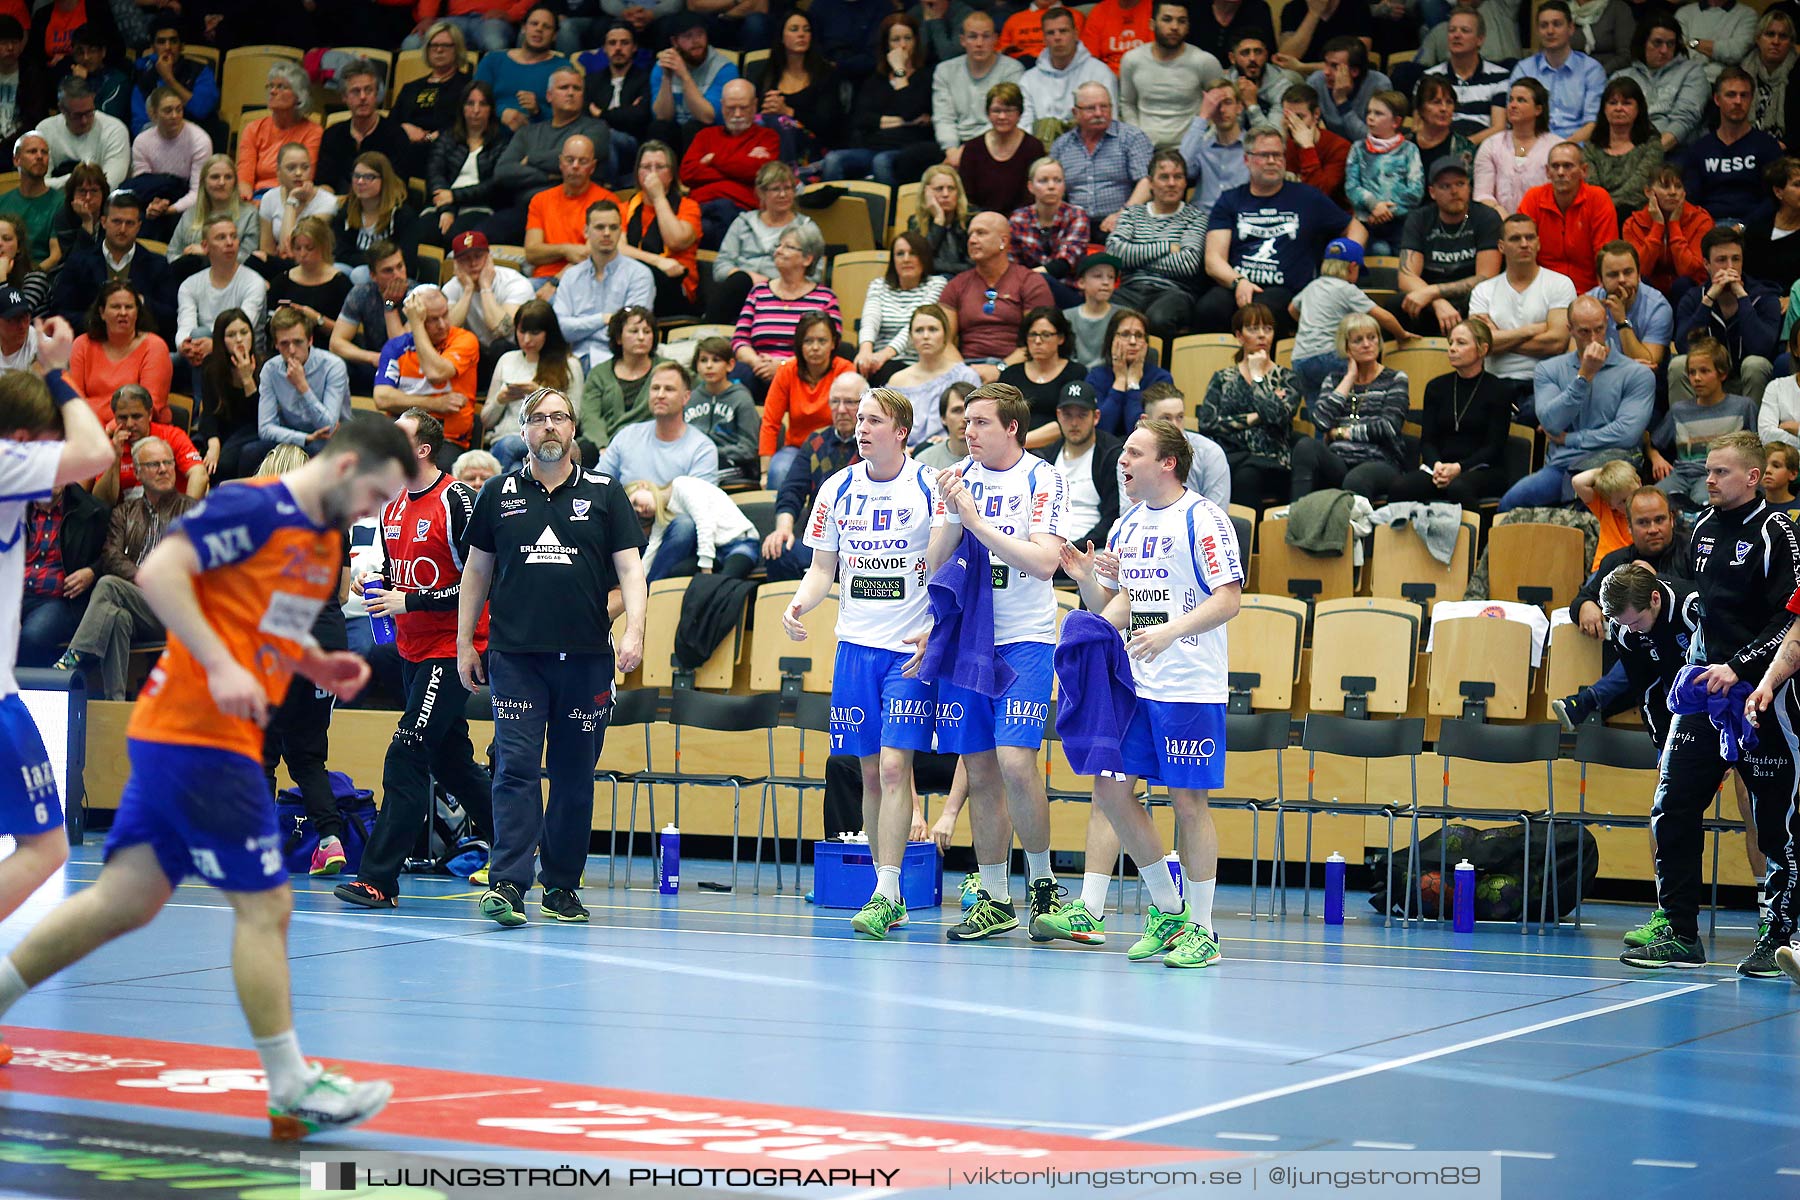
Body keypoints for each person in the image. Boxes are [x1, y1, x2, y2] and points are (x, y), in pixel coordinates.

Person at [0, 412, 410, 1132]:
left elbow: (274, 628)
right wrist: (220, 665)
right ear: (347, 468)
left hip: (189, 736)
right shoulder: (253, 506)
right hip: (200, 735)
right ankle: (289, 1084)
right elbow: (161, 572)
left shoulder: (318, 542)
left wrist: (318, 664)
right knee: (266, 907)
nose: (376, 513)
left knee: (123, 900)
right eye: (377, 495)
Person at [1045, 418, 1243, 966]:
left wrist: (1172, 631)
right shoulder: (1129, 523)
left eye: (1134, 453)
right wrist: (1087, 579)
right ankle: (1169, 911)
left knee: (1188, 803)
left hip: (1188, 684)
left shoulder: (1204, 519)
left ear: (1168, 463)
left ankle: (1202, 931)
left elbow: (1229, 599)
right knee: (1110, 792)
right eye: (1123, 453)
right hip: (1136, 684)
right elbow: (1120, 602)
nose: (1122, 462)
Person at [458, 383, 645, 927]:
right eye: (538, 418)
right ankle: (507, 886)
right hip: (516, 659)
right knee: (514, 769)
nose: (549, 427)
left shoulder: (606, 494)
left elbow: (632, 569)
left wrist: (635, 630)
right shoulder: (495, 492)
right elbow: (476, 572)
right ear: (524, 430)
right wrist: (465, 639)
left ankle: (561, 887)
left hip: (587, 658)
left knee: (572, 776)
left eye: (559, 418)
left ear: (572, 429)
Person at [1619, 433, 1800, 975]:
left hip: (1766, 695)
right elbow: (1703, 613)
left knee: (1775, 824)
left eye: (1721, 472)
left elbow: (1788, 622)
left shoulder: (1779, 534)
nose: (1710, 480)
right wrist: (1696, 674)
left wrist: (1741, 669)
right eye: (1708, 472)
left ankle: (1780, 935)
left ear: (1752, 477)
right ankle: (1678, 930)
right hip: (1705, 696)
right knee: (1672, 807)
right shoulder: (1700, 529)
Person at [780, 384, 936, 934]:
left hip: (908, 653)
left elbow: (948, 563)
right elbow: (824, 568)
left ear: (901, 433)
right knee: (869, 773)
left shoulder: (928, 488)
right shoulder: (836, 489)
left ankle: (889, 890)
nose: (861, 428)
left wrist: (936, 624)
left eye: (873, 421)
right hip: (854, 649)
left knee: (895, 766)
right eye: (859, 419)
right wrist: (800, 603)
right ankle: (879, 884)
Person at [923, 382, 1069, 942]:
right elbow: (933, 565)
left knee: (1013, 763)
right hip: (969, 640)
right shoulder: (960, 477)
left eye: (981, 422)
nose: (968, 430)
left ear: (1011, 428)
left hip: (1026, 638)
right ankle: (993, 895)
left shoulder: (1043, 477)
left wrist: (977, 522)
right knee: (980, 767)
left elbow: (1042, 562)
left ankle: (1043, 882)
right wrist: (952, 516)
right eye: (965, 421)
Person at [335, 409, 495, 911]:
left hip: (454, 649)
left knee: (406, 753)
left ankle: (378, 879)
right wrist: (376, 582)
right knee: (451, 763)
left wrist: (414, 601)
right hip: (411, 648)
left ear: (422, 450)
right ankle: (521, 844)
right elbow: (399, 568)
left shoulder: (457, 499)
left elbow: (479, 578)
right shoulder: (391, 503)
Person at [1198, 127, 1361, 336]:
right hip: (1238, 284)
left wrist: (1347, 261)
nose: (1272, 161)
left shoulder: (1307, 197)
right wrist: (1239, 282)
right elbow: (1213, 260)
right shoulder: (1230, 200)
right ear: (1247, 160)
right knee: (1209, 308)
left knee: (1265, 312)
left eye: (1277, 155)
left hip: (1284, 291)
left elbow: (1355, 227)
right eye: (1264, 155)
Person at [1501, 295, 1655, 509]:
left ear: (1607, 324)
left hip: (1613, 466)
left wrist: (1571, 439)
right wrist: (1584, 377)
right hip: (1562, 466)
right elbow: (1550, 422)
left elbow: (1627, 434)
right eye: (1584, 331)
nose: (1593, 338)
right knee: (1511, 504)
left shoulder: (1636, 373)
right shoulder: (1549, 369)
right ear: (1570, 329)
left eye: (1599, 329)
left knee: (1583, 507)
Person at [1388, 319, 1511, 504]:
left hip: (1483, 469)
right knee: (1401, 487)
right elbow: (1427, 441)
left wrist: (1459, 468)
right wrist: (1437, 465)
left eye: (1461, 343)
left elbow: (1493, 447)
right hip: (1440, 468)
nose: (1452, 348)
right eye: (1451, 342)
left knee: (1458, 488)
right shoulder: (1436, 387)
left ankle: (1477, 533)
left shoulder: (1498, 390)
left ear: (1482, 349)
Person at [1290, 313, 1411, 500]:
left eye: (1372, 337)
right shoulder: (1335, 380)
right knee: (1305, 446)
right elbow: (1321, 421)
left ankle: (1354, 528)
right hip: (1340, 459)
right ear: (1346, 347)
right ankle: (1296, 513)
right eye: (1358, 340)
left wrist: (1342, 433)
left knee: (1356, 480)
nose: (1366, 344)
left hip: (1380, 461)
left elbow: (1388, 426)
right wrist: (1349, 379)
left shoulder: (1395, 379)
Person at [484, 68, 610, 247]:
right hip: (526, 210)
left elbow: (577, 162)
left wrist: (532, 159)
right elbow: (503, 172)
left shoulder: (596, 128)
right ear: (549, 96)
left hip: (574, 209)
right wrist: (549, 176)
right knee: (477, 237)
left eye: (577, 88)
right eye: (564, 87)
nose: (571, 93)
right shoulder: (528, 132)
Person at [1469, 213, 1577, 412]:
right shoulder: (1483, 291)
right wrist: (1533, 330)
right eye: (1515, 238)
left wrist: (1497, 338)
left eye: (1530, 237)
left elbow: (1556, 342)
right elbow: (1478, 345)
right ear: (1501, 246)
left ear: (1538, 243)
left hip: (1545, 382)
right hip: (1494, 382)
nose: (1524, 243)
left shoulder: (1560, 284)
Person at [1194, 303, 1298, 507]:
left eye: (1268, 329)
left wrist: (1258, 378)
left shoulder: (1286, 378)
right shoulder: (1223, 378)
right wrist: (1254, 417)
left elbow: (1278, 417)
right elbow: (1207, 423)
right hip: (1231, 457)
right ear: (1239, 336)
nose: (1262, 335)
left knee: (1246, 476)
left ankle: (1247, 537)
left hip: (1273, 459)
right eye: (1253, 329)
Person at [763, 371, 863, 579]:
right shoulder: (816, 441)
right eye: (835, 402)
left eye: (850, 402)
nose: (841, 410)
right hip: (819, 541)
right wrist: (783, 528)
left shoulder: (875, 443)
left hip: (862, 545)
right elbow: (792, 489)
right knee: (776, 551)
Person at [1104, 148, 1207, 343]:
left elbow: (1187, 264)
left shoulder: (1196, 218)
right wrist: (1167, 247)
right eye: (1164, 177)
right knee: (1108, 316)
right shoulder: (1132, 214)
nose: (1171, 183)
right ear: (1150, 183)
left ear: (1185, 182)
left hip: (1174, 292)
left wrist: (1135, 259)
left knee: (1157, 319)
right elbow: (1114, 253)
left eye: (1178, 177)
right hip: (1131, 289)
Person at [939, 212, 1055, 383]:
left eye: (981, 233)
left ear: (1004, 241)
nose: (972, 240)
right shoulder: (956, 285)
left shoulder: (1030, 282)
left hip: (1019, 367)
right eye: (970, 234)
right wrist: (965, 373)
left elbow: (1038, 339)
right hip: (966, 369)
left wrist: (1001, 368)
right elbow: (943, 341)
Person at [1670, 225, 1780, 406]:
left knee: (1755, 364)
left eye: (1735, 259)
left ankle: (1752, 434)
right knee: (1678, 364)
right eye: (1721, 260)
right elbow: (1684, 346)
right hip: (1706, 379)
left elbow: (1763, 349)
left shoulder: (1763, 296)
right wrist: (1709, 299)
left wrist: (1742, 296)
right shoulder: (1694, 299)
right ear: (1706, 264)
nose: (1730, 267)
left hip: (1746, 381)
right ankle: (1688, 431)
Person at [828, 13, 939, 189]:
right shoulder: (876, 79)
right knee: (833, 159)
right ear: (887, 44)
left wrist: (900, 70)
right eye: (896, 39)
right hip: (873, 146)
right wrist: (906, 122)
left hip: (908, 149)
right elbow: (862, 119)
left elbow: (909, 109)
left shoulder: (926, 76)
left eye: (908, 38)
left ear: (916, 41)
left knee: (882, 162)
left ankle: (890, 215)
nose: (902, 45)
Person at [375, 287, 482, 465]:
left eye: (445, 314)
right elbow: (382, 398)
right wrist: (435, 404)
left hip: (447, 440)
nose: (442, 324)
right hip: (401, 438)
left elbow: (436, 373)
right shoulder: (396, 347)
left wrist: (417, 326)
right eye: (432, 319)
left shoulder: (464, 340)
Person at [1289, 238, 1410, 397]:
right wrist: (1402, 335)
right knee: (1345, 403)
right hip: (1330, 355)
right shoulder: (1346, 289)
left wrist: (1308, 325)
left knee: (1318, 411)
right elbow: (1384, 317)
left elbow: (1292, 308)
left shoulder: (1313, 286)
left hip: (1300, 358)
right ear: (1353, 267)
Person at [730, 223, 839, 397]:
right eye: (778, 245)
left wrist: (782, 366)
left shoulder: (825, 298)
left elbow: (830, 345)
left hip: (802, 371)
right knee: (736, 376)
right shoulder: (759, 292)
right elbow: (740, 340)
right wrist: (756, 362)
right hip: (757, 370)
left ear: (807, 259)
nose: (778, 251)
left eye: (787, 247)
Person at [51, 188, 174, 341]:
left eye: (129, 223)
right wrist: (102, 322)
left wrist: (140, 301)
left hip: (142, 347)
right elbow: (60, 313)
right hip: (91, 344)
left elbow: (170, 317)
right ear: (103, 222)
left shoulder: (157, 264)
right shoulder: (78, 262)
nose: (122, 229)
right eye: (117, 221)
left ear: (139, 226)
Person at [1399, 157, 1502, 337]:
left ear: (1469, 187)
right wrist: (1436, 300)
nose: (1454, 191)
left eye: (1460, 184)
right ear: (1432, 192)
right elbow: (1406, 276)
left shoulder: (1486, 217)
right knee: (1398, 304)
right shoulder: (1419, 219)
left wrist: (1434, 292)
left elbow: (1486, 277)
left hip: (1473, 298)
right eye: (1445, 186)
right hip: (1430, 302)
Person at [1649, 337, 1756, 509]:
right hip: (1681, 475)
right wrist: (1655, 457)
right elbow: (1654, 442)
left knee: (1703, 504)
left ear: (1722, 373)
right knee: (1652, 501)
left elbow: (1757, 447)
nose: (1697, 378)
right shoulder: (1679, 410)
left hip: (1717, 475)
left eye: (1705, 371)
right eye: (1692, 372)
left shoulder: (1743, 407)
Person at [706, 160, 817, 326]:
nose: (783, 195)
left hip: (783, 295)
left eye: (788, 188)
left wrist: (769, 283)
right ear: (761, 193)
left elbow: (813, 275)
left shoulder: (806, 228)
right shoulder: (742, 222)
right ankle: (708, 333)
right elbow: (720, 267)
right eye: (776, 189)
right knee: (739, 281)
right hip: (739, 293)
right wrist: (749, 278)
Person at [548, 200, 654, 367]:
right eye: (599, 227)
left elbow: (633, 331)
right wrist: (603, 319)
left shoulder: (639, 275)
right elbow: (561, 329)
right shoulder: (571, 276)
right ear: (586, 231)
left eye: (613, 227)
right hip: (574, 360)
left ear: (621, 231)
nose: (606, 233)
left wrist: (581, 326)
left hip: (618, 361)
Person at [681, 79, 781, 255]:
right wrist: (740, 165)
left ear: (755, 105)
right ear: (722, 105)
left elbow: (759, 172)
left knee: (718, 219)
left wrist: (714, 159)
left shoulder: (768, 137)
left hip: (739, 211)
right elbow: (687, 173)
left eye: (743, 108)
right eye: (730, 108)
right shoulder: (705, 136)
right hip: (700, 208)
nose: (737, 114)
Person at [174, 214, 265, 396]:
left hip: (243, 348)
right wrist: (185, 344)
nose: (230, 242)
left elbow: (245, 325)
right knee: (162, 357)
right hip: (201, 349)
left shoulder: (253, 282)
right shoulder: (190, 285)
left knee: (202, 336)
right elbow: (185, 324)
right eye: (221, 237)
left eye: (233, 236)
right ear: (205, 246)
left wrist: (214, 344)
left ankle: (203, 410)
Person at [487, 297, 582, 471]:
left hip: (549, 438)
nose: (527, 339)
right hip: (507, 435)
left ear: (549, 332)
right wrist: (500, 400)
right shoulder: (507, 360)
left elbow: (576, 417)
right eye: (522, 332)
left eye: (535, 333)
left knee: (510, 448)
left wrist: (539, 395)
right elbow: (486, 419)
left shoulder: (569, 365)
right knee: (515, 463)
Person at [249, 307, 351, 469]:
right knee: (250, 453)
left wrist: (302, 386)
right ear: (276, 344)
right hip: (294, 436)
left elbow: (328, 426)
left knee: (315, 453)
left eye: (298, 342)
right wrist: (305, 438)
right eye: (284, 344)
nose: (291, 351)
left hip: (332, 439)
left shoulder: (333, 366)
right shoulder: (270, 369)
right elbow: (265, 428)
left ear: (310, 340)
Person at [762, 311, 853, 490]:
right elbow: (770, 422)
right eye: (808, 341)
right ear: (799, 344)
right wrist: (764, 471)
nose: (815, 347)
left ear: (833, 343)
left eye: (822, 341)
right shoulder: (786, 371)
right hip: (796, 448)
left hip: (836, 446)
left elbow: (854, 418)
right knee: (778, 471)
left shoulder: (845, 369)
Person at [1032, 378, 1121, 555]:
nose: (1074, 423)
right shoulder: (1044, 458)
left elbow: (1113, 518)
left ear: (1096, 417)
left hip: (1092, 553)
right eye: (1067, 415)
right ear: (1058, 416)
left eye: (1081, 415)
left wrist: (1072, 550)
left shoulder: (1112, 456)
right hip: (1046, 552)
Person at [1050, 84, 1153, 236]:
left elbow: (1146, 182)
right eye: (1091, 108)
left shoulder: (1131, 138)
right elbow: (1054, 189)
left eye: (1104, 107)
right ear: (1075, 112)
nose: (1099, 113)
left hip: (1123, 223)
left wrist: (1123, 214)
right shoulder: (1062, 145)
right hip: (1075, 225)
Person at [1517, 142, 1619, 293]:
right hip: (1541, 291)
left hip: (1590, 291)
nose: (1560, 172)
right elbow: (1520, 247)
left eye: (1568, 166)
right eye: (1555, 166)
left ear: (1584, 171)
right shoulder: (1534, 198)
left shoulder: (1598, 198)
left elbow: (1605, 255)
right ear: (1547, 171)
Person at [1686, 69, 1783, 226]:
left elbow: (1774, 198)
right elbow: (1690, 199)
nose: (1738, 101)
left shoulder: (1767, 146)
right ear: (1717, 99)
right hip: (1707, 228)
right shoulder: (1699, 149)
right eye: (1731, 95)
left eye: (1744, 95)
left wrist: (1743, 227)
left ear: (1752, 99)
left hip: (1754, 229)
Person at [67, 281, 172, 424]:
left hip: (141, 434)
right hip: (90, 429)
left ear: (137, 312)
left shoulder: (154, 347)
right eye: (116, 307)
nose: (123, 313)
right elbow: (73, 403)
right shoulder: (82, 344)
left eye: (129, 307)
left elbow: (148, 407)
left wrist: (91, 406)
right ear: (102, 312)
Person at [1120, 2, 1221, 150]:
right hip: (1145, 148)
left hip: (1192, 150)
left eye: (1182, 21)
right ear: (1152, 24)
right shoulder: (1132, 60)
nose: (1175, 27)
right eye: (1167, 19)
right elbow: (1127, 103)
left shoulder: (1205, 61)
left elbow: (1222, 106)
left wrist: (1202, 141)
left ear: (1188, 27)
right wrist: (1138, 139)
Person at [523, 135, 620, 285]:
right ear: (560, 163)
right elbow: (532, 252)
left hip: (585, 280)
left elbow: (591, 254)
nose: (575, 166)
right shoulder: (540, 200)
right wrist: (566, 250)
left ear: (592, 167)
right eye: (569, 160)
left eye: (583, 161)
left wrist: (555, 283)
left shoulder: (606, 201)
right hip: (540, 279)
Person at [88, 383, 206, 506]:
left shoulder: (172, 436)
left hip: (172, 514)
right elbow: (100, 501)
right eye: (122, 418)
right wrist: (115, 459)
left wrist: (186, 516)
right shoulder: (112, 447)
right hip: (129, 519)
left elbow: (199, 474)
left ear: (149, 415)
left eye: (136, 416)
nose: (129, 424)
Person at [426, 81, 512, 246]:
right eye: (470, 103)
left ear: (491, 109)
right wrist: (447, 209)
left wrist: (454, 196)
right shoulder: (448, 137)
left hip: (478, 207)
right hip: (442, 203)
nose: (476, 110)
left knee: (456, 238)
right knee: (423, 233)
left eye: (483, 104)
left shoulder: (502, 143)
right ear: (462, 108)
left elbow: (495, 184)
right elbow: (434, 173)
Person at [934, 12, 1025, 169]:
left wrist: (969, 150)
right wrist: (951, 150)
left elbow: (1006, 117)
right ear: (962, 40)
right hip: (954, 145)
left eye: (986, 36)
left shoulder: (1012, 70)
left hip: (998, 140)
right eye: (972, 36)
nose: (979, 43)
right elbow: (943, 118)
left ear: (996, 39)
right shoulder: (945, 71)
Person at [620, 141, 700, 318]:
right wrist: (657, 261)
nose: (652, 173)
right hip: (633, 279)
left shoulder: (688, 207)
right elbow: (617, 248)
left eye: (660, 167)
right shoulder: (625, 208)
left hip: (674, 286)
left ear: (671, 174)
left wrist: (658, 197)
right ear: (638, 173)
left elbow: (676, 241)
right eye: (646, 167)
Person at [745, 9, 843, 152]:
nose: (801, 34)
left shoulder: (826, 73)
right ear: (781, 37)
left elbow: (828, 125)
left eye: (806, 30)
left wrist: (788, 112)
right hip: (770, 145)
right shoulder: (766, 73)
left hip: (812, 148)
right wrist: (765, 109)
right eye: (794, 29)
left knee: (782, 124)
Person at [630, 474, 760, 580]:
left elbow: (705, 524)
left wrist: (706, 570)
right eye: (636, 513)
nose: (640, 510)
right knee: (678, 572)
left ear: (643, 486)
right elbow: (653, 547)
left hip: (741, 543)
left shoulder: (682, 486)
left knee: (722, 585)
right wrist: (638, 583)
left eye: (635, 502)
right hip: (716, 552)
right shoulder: (664, 513)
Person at [855, 231, 946, 383]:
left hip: (913, 361)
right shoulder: (879, 285)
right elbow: (870, 320)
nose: (906, 259)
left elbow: (915, 325)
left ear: (924, 257)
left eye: (913, 253)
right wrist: (865, 351)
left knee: (886, 371)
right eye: (900, 254)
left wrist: (885, 354)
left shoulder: (936, 284)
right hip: (875, 360)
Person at [440, 228, 532, 376]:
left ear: (489, 258)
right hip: (478, 355)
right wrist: (468, 290)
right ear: (455, 264)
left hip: (514, 353)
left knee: (499, 346)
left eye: (478, 256)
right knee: (460, 343)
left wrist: (485, 287)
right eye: (465, 259)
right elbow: (445, 331)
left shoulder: (514, 282)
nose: (473, 263)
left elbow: (503, 330)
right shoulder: (452, 288)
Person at [1020, 6, 1118, 145]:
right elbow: (1023, 127)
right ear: (1044, 39)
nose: (1057, 37)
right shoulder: (1029, 79)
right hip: (1041, 153)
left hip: (1089, 147)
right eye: (1051, 33)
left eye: (1063, 31)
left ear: (1076, 33)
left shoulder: (1100, 73)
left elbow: (1110, 123)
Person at [329, 242, 416, 395]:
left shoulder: (417, 294)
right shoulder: (362, 293)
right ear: (373, 276)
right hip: (375, 362)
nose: (397, 275)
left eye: (400, 266)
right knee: (338, 365)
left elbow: (401, 349)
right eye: (388, 271)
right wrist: (372, 357)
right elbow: (336, 343)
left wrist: (390, 304)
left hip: (411, 369)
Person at [887, 304, 979, 449]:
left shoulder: (966, 376)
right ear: (911, 337)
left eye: (933, 329)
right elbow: (890, 428)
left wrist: (948, 440)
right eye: (919, 330)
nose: (925, 336)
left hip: (953, 452)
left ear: (945, 335)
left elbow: (977, 422)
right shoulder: (897, 380)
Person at [1509, 1, 1604, 141]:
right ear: (1538, 31)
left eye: (1557, 24)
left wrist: (1560, 151)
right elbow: (1515, 119)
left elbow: (1593, 124)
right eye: (1544, 25)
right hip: (1531, 145)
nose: (1550, 31)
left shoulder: (1591, 70)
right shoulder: (1524, 69)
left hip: (1576, 148)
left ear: (1571, 28)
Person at [1615, 14, 1710, 154]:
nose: (1664, 50)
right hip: (1628, 150)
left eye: (1670, 44)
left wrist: (1649, 154)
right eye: (1657, 43)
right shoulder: (1621, 77)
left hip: (1676, 150)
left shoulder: (1692, 72)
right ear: (1643, 43)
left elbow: (1685, 120)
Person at [317, 59, 412, 196]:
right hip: (339, 205)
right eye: (355, 91)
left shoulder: (396, 135)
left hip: (381, 206)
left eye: (368, 90)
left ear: (376, 94)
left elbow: (398, 186)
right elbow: (325, 182)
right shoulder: (332, 135)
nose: (363, 97)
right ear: (344, 97)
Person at [1344, 90, 1422, 256]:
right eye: (1369, 112)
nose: (1370, 117)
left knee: (1402, 257)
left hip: (1400, 221)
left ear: (1396, 121)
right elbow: (1351, 186)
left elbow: (1415, 191)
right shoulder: (1358, 148)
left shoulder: (1409, 150)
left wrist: (1386, 212)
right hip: (1366, 220)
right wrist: (1374, 205)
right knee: (1368, 252)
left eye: (1378, 113)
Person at [128, 86, 210, 240]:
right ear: (152, 114)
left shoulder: (200, 140)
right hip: (153, 202)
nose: (175, 116)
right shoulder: (142, 141)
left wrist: (170, 209)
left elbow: (198, 193)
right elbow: (142, 186)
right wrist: (155, 206)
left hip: (186, 202)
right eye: (168, 111)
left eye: (179, 110)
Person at [1000, 305, 1090, 447]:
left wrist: (1017, 443)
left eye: (1046, 335)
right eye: (1033, 334)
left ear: (1061, 338)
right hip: (1012, 450)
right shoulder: (1010, 374)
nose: (1037, 341)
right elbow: (1000, 418)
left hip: (1058, 448)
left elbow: (1067, 422)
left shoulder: (1076, 373)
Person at [648, 12, 738, 150]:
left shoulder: (724, 69)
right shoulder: (662, 66)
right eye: (688, 36)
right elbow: (662, 116)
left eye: (700, 34)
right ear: (674, 42)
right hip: (677, 133)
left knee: (694, 128)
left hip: (713, 135)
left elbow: (708, 117)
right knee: (659, 128)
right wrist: (666, 77)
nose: (695, 41)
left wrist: (684, 76)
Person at [576, 304, 661, 450]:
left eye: (647, 332)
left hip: (652, 446)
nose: (641, 337)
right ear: (618, 338)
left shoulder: (668, 370)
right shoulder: (599, 373)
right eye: (634, 331)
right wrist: (603, 448)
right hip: (605, 446)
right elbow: (590, 416)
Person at [956, 83, 1046, 217]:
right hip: (981, 221)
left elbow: (1034, 195)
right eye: (996, 111)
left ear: (1020, 113)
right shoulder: (972, 149)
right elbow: (966, 197)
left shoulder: (1033, 147)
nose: (1002, 116)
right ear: (988, 113)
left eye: (1009, 110)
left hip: (1023, 223)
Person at [1624, 165, 1714, 301]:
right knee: (1641, 282)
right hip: (1650, 294)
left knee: (1683, 283)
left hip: (1688, 293)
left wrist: (1674, 225)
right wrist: (1657, 226)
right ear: (1648, 192)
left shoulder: (1701, 220)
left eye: (1678, 186)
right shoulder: (1633, 224)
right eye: (1665, 187)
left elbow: (1692, 273)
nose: (1673, 192)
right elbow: (1639, 271)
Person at [1582, 79, 1664, 225]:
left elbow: (1638, 187)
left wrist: (1606, 209)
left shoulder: (1651, 144)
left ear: (1639, 108)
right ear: (1604, 109)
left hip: (1636, 215)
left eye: (1626, 103)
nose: (1618, 108)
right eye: (1612, 103)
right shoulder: (1591, 146)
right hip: (1596, 215)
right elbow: (1591, 186)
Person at [235, 62, 321, 200]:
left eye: (281, 87)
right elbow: (244, 176)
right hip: (256, 197)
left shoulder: (313, 132)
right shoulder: (253, 129)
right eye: (271, 86)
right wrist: (246, 201)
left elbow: (304, 178)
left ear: (299, 96)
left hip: (293, 197)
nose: (273, 91)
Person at [1421, 8, 1510, 142]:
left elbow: (1499, 128)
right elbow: (1419, 125)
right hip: (1439, 148)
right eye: (1452, 30)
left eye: (1465, 30)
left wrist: (1463, 146)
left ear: (1480, 39)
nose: (1456, 35)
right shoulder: (1429, 77)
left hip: (1483, 148)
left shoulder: (1500, 77)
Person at [474, 6, 566, 134]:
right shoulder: (493, 60)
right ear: (523, 28)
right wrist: (501, 112)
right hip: (490, 136)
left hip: (540, 139)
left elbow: (569, 116)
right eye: (534, 24)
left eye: (546, 27)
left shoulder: (562, 68)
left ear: (554, 35)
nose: (539, 29)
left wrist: (538, 111)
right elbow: (473, 102)